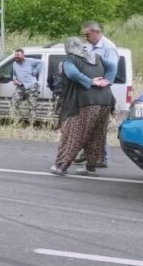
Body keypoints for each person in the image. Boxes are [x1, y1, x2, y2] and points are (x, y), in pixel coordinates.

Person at [50, 37, 116, 176]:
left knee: (74, 133)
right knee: (96, 134)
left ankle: (62, 166)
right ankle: (91, 167)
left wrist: (90, 81)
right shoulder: (97, 57)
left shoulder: (69, 59)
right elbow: (113, 66)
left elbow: (72, 73)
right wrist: (108, 80)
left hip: (85, 102)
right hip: (105, 100)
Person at [80, 21, 119, 167]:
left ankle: (101, 158)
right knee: (92, 125)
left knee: (98, 126)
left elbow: (113, 67)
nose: (85, 38)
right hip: (93, 88)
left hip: (100, 90)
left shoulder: (108, 47)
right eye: (84, 35)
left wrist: (105, 83)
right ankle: (92, 155)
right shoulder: (90, 46)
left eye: (87, 34)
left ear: (97, 32)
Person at [10, 48, 43, 124]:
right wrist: (14, 79)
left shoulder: (30, 61)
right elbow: (14, 74)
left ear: (23, 55)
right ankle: (16, 122)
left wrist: (36, 71)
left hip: (32, 86)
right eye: (15, 55)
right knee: (13, 103)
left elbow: (42, 63)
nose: (16, 56)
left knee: (32, 106)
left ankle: (31, 125)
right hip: (21, 86)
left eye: (18, 55)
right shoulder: (14, 64)